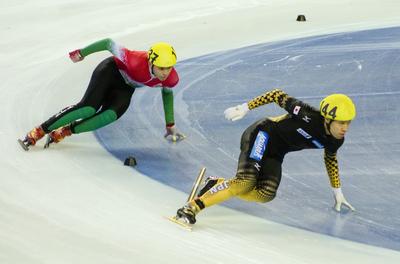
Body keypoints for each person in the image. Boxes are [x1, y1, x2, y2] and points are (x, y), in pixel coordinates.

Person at [176, 89, 356, 224]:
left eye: (348, 123)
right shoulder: (307, 115)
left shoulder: (335, 141)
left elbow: (330, 160)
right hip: (262, 134)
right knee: (245, 181)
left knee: (266, 194)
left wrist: (337, 192)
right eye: (341, 123)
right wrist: (244, 108)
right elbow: (276, 95)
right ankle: (192, 207)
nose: (345, 128)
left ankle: (216, 184)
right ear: (327, 119)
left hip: (276, 153)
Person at [19, 39, 185, 150]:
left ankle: (64, 132)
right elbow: (108, 43)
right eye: (161, 68)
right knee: (87, 109)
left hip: (125, 87)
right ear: (151, 62)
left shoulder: (171, 78)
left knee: (109, 116)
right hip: (110, 72)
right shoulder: (133, 59)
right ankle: (38, 132)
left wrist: (170, 124)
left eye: (169, 67)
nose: (165, 73)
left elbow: (167, 94)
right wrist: (81, 53)